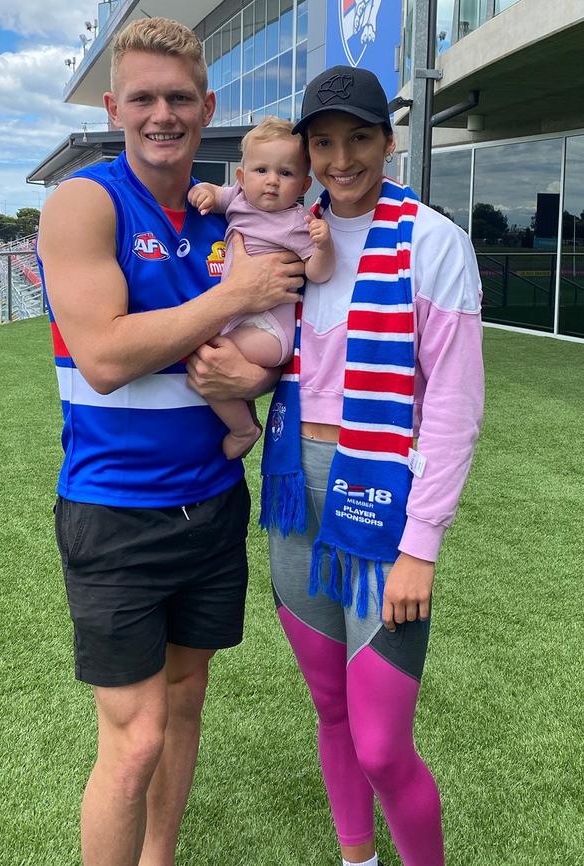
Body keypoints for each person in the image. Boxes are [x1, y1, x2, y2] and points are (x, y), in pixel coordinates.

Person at [36, 17, 304, 866]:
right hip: (116, 512)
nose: (163, 114)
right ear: (114, 106)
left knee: (186, 702)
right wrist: (236, 299)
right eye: (144, 97)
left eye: (180, 97)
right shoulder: (85, 201)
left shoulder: (230, 216)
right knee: (136, 739)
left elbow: (267, 355)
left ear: (207, 106)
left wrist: (252, 381)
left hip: (216, 506)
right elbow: (107, 356)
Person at [258, 65, 485, 866]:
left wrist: (422, 544)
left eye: (359, 138)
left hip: (384, 505)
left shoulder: (433, 240)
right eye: (323, 143)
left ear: (389, 141)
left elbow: (455, 407)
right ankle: (357, 861)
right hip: (294, 495)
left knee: (384, 745)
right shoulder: (286, 231)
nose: (341, 159)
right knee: (330, 711)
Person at [188, 117, 335, 459]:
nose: (271, 182)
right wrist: (205, 192)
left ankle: (244, 429)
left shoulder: (298, 222)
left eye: (285, 174)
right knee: (209, 357)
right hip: (242, 318)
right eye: (261, 171)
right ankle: (245, 417)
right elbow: (217, 195)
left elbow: (320, 272)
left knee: (206, 358)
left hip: (269, 329)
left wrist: (324, 247)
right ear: (241, 177)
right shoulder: (239, 198)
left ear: (303, 185)